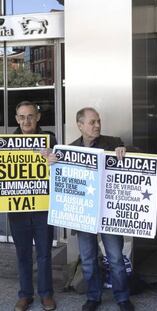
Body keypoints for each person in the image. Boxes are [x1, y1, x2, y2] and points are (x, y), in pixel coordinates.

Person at [63, 107, 135, 311]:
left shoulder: (113, 142)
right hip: (84, 214)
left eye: (98, 121)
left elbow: (136, 153)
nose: (97, 125)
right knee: (87, 259)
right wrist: (53, 162)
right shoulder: (70, 149)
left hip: (108, 212)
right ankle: (93, 296)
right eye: (92, 122)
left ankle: (122, 298)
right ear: (80, 125)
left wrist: (126, 150)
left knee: (116, 258)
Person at [10, 101, 57, 311]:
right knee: (22, 253)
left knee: (44, 253)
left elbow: (60, 166)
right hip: (18, 207)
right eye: (22, 117)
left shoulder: (50, 139)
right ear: (16, 119)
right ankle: (25, 295)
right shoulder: (7, 143)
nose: (26, 121)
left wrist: (53, 159)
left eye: (30, 116)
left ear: (38, 117)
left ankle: (46, 294)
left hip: (42, 206)